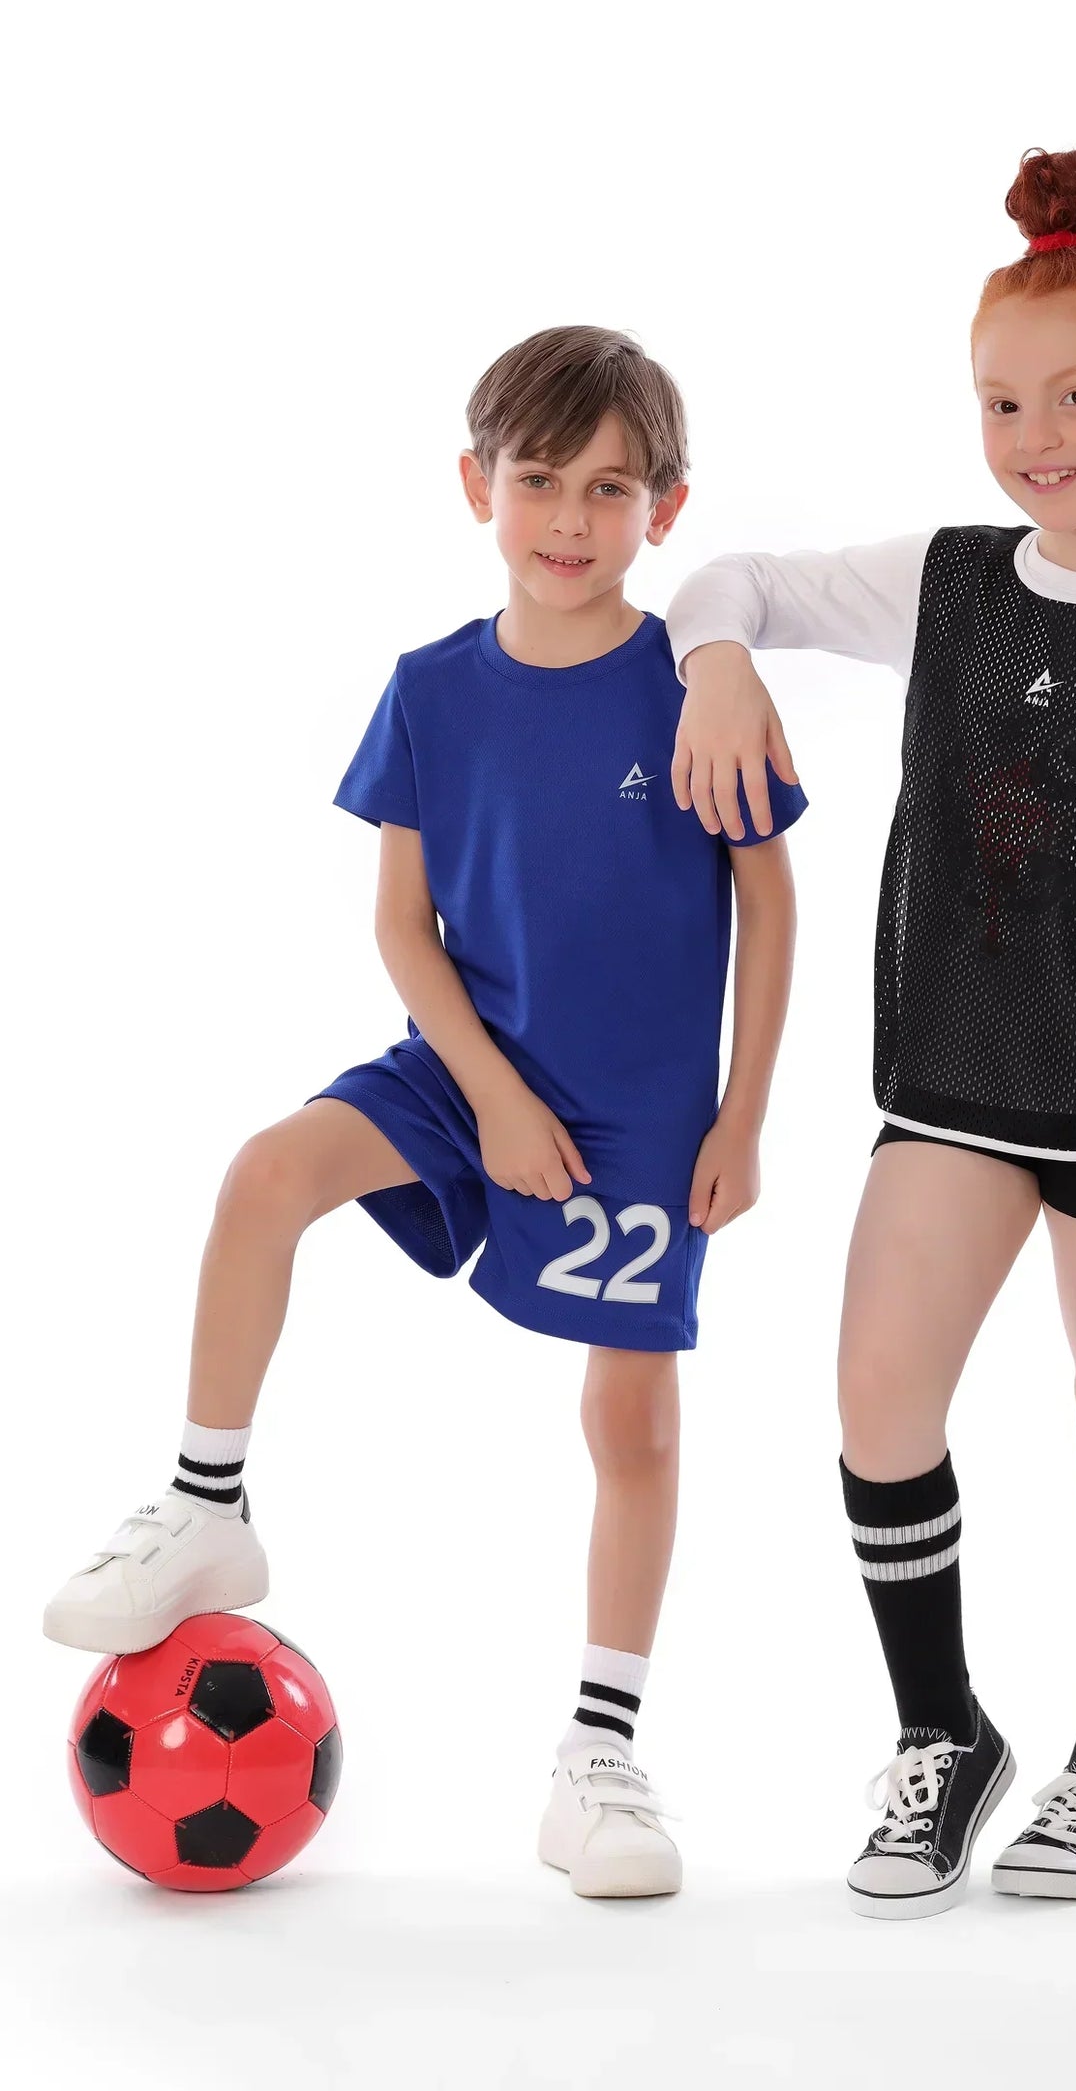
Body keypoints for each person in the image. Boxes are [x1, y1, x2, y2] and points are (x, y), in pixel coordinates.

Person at [44, 324, 805, 1901]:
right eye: (540, 481)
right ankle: (204, 1505)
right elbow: (402, 926)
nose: (571, 520)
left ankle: (598, 1755)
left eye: (610, 488)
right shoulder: (429, 690)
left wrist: (741, 1116)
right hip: (469, 1072)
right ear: (478, 483)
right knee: (267, 1175)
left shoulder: (692, 681)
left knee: (633, 1421)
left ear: (665, 505)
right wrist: (490, 1094)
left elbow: (771, 901)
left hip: (640, 1120)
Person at [666, 148, 1076, 1916]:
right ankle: (942, 1734)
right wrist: (719, 663)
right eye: (1003, 399)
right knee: (879, 1399)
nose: (1037, 432)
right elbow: (735, 583)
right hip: (954, 1070)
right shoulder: (943, 580)